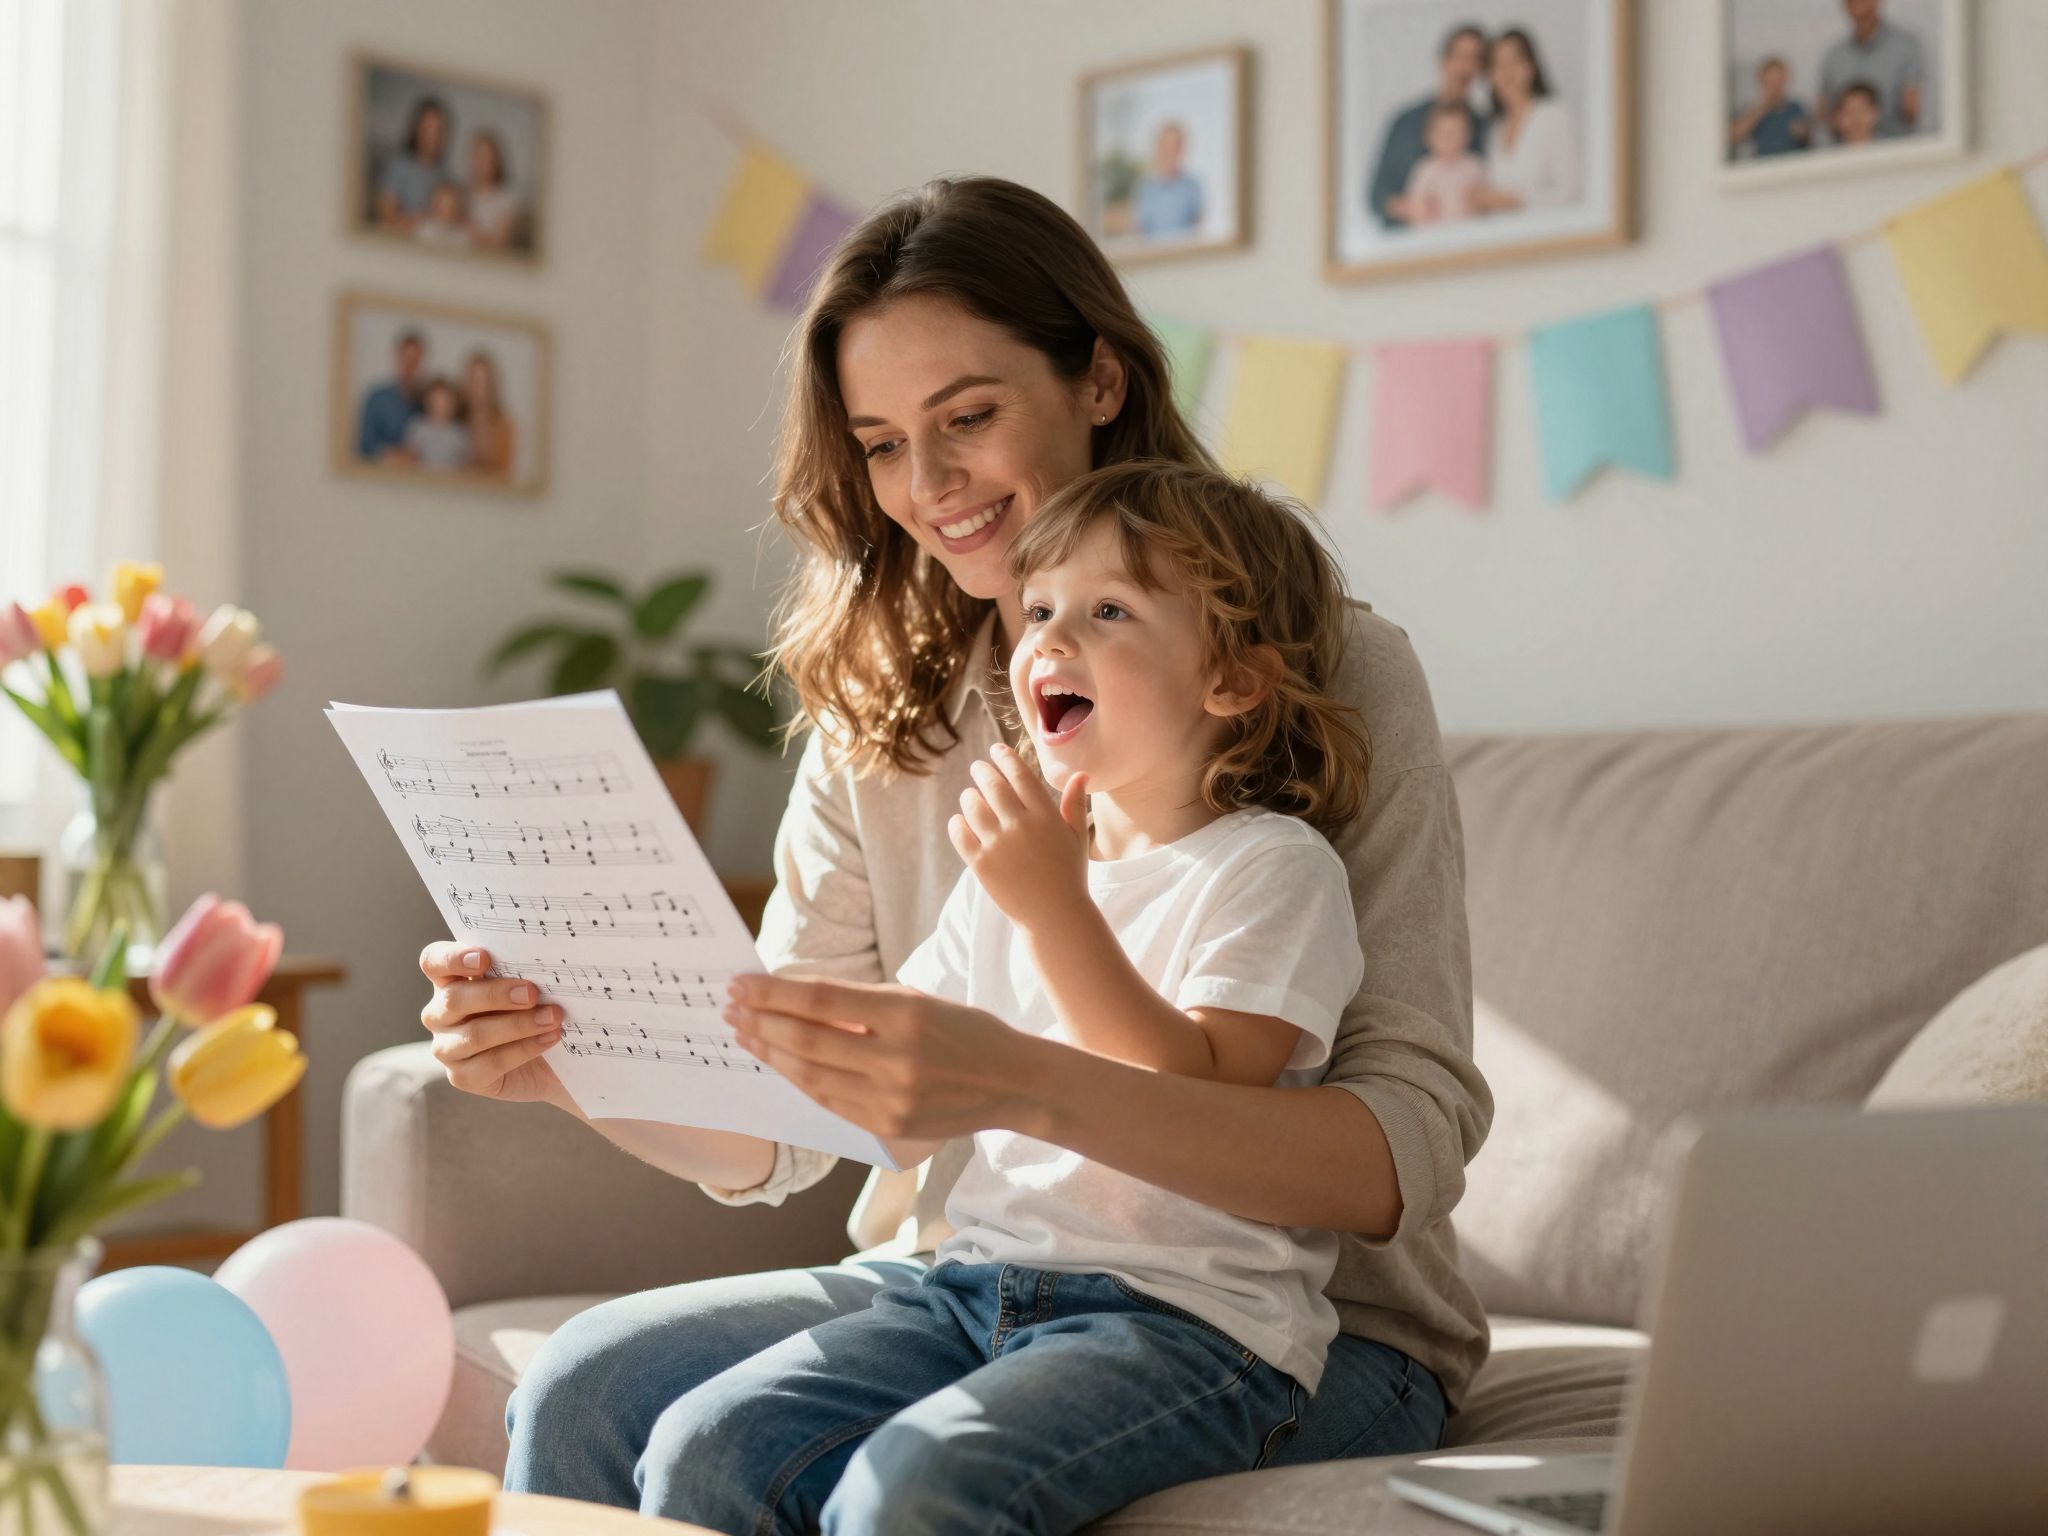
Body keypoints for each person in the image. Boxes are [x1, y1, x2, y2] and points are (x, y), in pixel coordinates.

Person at [415, 176, 1490, 1527]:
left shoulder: (1322, 675)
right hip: (965, 1279)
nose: (926, 488)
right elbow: (799, 1113)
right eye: (880, 443)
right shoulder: (881, 706)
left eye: (968, 417)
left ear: (1099, 380)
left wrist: (1022, 1079)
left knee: (893, 1480)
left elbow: (1400, 1146)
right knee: (586, 1387)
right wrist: (566, 1058)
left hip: (1288, 1323)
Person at [643, 459, 1377, 1532]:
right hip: (969, 1289)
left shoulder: (1272, 868)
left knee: (918, 1489)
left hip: (1187, 1325)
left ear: (1231, 681)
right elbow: (885, 1101)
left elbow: (1202, 1090)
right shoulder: (1012, 878)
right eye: (1038, 611)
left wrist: (1052, 906)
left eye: (1108, 610)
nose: (1050, 639)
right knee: (708, 1442)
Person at [1368, 23, 1489, 230]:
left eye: (1474, 59)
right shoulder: (1405, 122)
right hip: (1410, 239)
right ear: (1443, 61)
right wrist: (1411, 208)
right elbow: (1377, 195)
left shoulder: (1484, 128)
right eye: (1459, 56)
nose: (1465, 67)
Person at [1476, 28, 1580, 213]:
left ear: (1531, 67)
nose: (1506, 72)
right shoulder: (1494, 129)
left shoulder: (1553, 116)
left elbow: (1570, 192)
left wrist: (1517, 201)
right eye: (1497, 65)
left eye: (1514, 61)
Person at [1816, 0, 1925, 141]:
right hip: (1846, 152)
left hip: (1896, 148)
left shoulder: (1907, 46)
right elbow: (1824, 116)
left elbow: (1914, 112)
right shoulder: (1834, 57)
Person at [1397, 101, 1487, 224]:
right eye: (1442, 132)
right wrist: (1422, 208)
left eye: (1455, 132)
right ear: (1429, 137)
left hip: (1469, 229)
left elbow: (1486, 201)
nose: (1448, 138)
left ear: (1467, 136)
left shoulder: (1474, 166)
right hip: (1435, 231)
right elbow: (1415, 205)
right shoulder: (1424, 169)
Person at [375, 95, 451, 232]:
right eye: (428, 129)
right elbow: (385, 219)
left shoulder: (445, 176)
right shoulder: (397, 167)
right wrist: (422, 221)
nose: (433, 137)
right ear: (416, 130)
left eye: (439, 130)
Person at [355, 330, 426, 463]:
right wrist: (389, 454)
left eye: (415, 361)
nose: (410, 367)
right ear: (397, 358)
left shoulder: (426, 402)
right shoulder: (377, 398)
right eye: (406, 359)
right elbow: (364, 444)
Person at [1729, 56, 1813, 159]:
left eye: (1779, 81)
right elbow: (1734, 135)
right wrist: (1764, 107)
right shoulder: (1752, 111)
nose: (1776, 87)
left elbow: (1808, 139)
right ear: (1762, 82)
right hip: (1765, 164)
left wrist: (1803, 132)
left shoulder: (1795, 108)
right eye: (1771, 82)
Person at [1132, 120, 1204, 240]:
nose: (1170, 153)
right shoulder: (1145, 189)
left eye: (1175, 147)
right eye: (1166, 147)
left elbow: (1198, 230)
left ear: (1182, 149)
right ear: (1158, 148)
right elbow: (1139, 231)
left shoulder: (1193, 187)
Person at [463, 350, 517, 479]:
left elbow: (504, 470)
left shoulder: (505, 424)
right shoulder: (457, 418)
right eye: (474, 380)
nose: (478, 387)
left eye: (483, 381)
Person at [466, 129, 521, 250]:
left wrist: (468, 227)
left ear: (496, 162)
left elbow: (499, 243)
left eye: (487, 157)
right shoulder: (462, 194)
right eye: (478, 156)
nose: (481, 163)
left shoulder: (505, 200)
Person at [400, 377, 471, 471]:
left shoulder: (460, 433)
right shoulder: (418, 427)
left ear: (454, 404)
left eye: (445, 400)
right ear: (427, 401)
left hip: (451, 478)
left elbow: (466, 462)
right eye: (436, 400)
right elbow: (408, 455)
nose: (440, 405)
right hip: (421, 477)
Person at [412, 180, 472, 249]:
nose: (442, 208)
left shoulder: (462, 236)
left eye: (448, 204)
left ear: (457, 207)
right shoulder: (424, 229)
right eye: (440, 203)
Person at [1831, 79, 1884, 146]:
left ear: (1875, 113)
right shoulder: (1827, 151)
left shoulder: (1892, 147)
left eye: (1860, 111)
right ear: (1837, 118)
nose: (1855, 118)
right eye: (1847, 112)